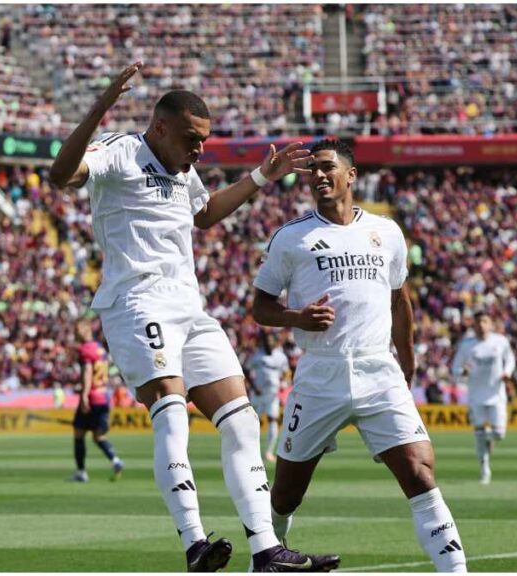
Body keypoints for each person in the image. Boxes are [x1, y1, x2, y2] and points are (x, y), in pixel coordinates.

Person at [50, 61, 339, 572]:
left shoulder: (183, 169)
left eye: (203, 140)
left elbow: (204, 215)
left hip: (190, 307)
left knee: (243, 421)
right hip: (136, 302)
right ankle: (195, 543)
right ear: (159, 128)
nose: (199, 149)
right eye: (191, 139)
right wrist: (100, 106)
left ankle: (267, 551)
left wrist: (259, 177)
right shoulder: (120, 152)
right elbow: (60, 176)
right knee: (172, 408)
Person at [252, 139, 468, 572]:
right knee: (287, 493)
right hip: (320, 372)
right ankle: (268, 559)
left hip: (377, 368)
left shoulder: (386, 231)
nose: (317, 175)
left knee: (420, 473)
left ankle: (457, 570)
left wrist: (406, 361)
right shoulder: (292, 238)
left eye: (327, 167)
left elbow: (399, 300)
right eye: (311, 169)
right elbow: (260, 307)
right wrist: (296, 317)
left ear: (351, 175)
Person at [451, 311, 516, 485]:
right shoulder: (467, 345)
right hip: (475, 396)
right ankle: (485, 470)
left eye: (485, 321)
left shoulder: (500, 341)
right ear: (474, 325)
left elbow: (510, 359)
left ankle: (488, 439)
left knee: (499, 434)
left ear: (491, 324)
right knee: (479, 433)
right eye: (478, 322)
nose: (481, 325)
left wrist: (507, 372)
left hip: (496, 394)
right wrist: (462, 372)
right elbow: (455, 368)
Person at [69, 319, 125, 482]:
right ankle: (115, 460)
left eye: (76, 332)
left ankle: (81, 472)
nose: (75, 335)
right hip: (104, 397)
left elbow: (87, 373)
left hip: (92, 397)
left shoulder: (85, 350)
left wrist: (84, 395)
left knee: (79, 434)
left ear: (83, 332)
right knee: (98, 436)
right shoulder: (100, 349)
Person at [246, 332, 289, 463]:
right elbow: (246, 370)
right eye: (267, 342)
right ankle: (250, 451)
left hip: (273, 394)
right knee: (253, 423)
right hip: (258, 394)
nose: (269, 344)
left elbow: (285, 372)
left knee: (273, 420)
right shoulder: (256, 355)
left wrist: (282, 383)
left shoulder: (281, 357)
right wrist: (253, 387)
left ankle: (269, 452)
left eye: (271, 341)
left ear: (276, 343)